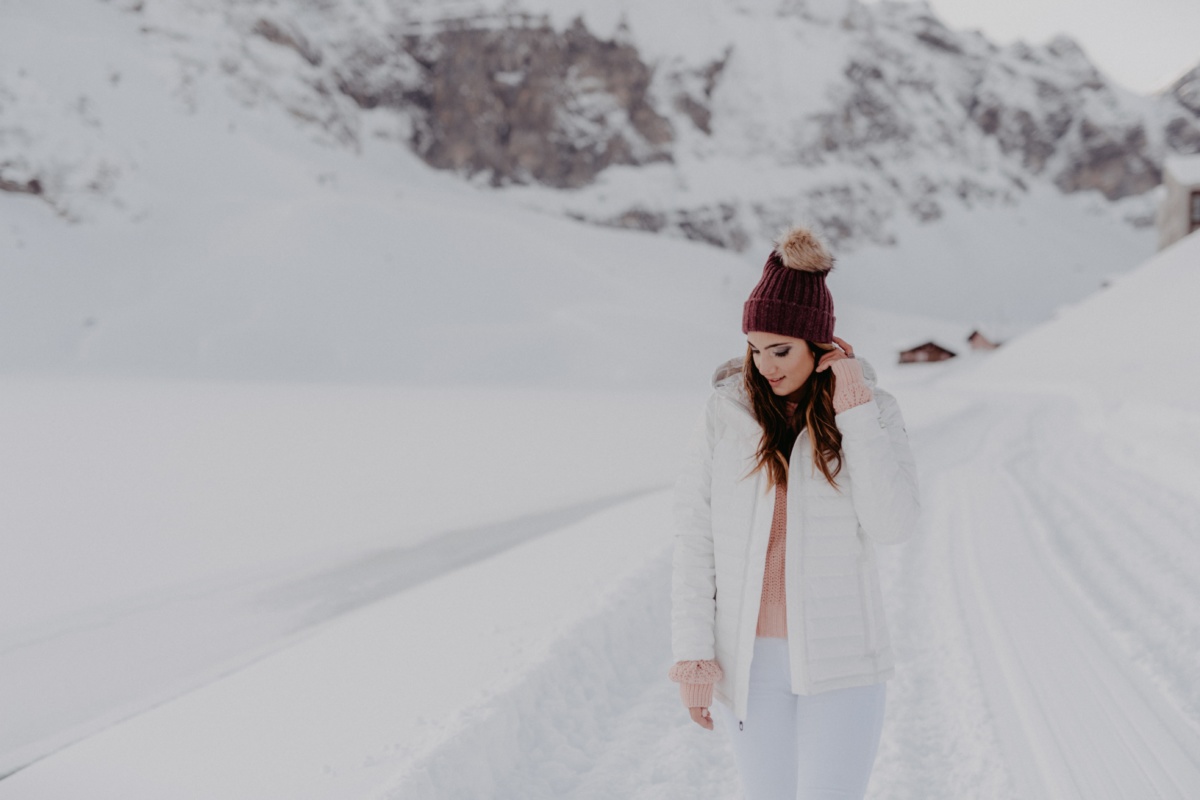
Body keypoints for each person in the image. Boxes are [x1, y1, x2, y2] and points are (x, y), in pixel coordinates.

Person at [667, 226, 920, 800]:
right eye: (755, 348)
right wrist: (694, 660)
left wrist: (853, 408)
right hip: (750, 664)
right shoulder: (724, 415)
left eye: (781, 349)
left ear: (819, 344)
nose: (765, 365)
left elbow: (894, 525)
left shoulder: (873, 411)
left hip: (843, 661)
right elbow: (694, 539)